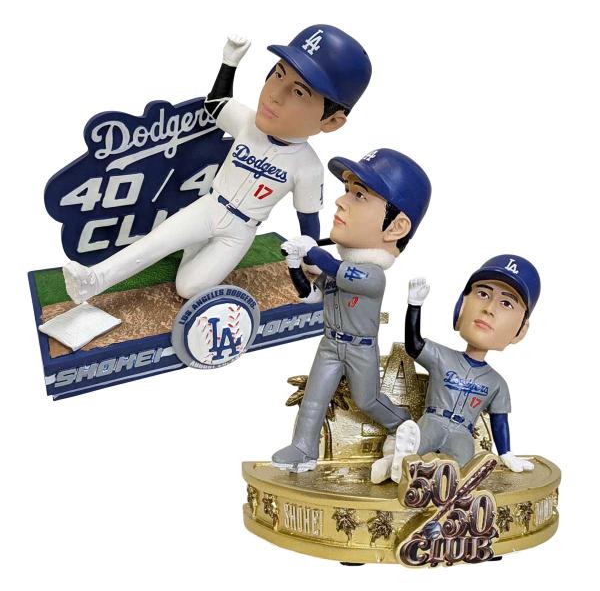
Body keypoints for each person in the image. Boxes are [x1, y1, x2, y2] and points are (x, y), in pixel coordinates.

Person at [62, 25, 372, 303]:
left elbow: (307, 218)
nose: (274, 96)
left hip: (239, 231)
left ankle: (195, 247)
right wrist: (229, 62)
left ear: (331, 121)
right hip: (210, 205)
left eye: (299, 92)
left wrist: (311, 256)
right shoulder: (248, 122)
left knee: (187, 287)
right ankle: (92, 281)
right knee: (155, 242)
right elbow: (215, 104)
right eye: (278, 74)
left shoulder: (308, 166)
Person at [271, 148, 431, 472]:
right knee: (314, 398)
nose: (340, 202)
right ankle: (303, 449)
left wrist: (313, 251)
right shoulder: (337, 267)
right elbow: (310, 296)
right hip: (330, 344)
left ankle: (403, 425)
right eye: (347, 190)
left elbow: (335, 268)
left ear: (396, 227)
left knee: (367, 399)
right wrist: (294, 265)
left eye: (359, 195)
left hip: (360, 349)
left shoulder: (372, 275)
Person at [374, 256, 540, 484]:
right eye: (483, 294)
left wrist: (506, 453)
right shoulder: (443, 357)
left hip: (463, 431)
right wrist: (414, 305)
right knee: (419, 441)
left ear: (520, 331)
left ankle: (409, 466)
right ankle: (396, 461)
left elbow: (500, 421)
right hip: (434, 419)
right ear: (461, 306)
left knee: (462, 463)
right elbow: (414, 345)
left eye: (506, 303)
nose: (489, 309)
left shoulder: (497, 383)